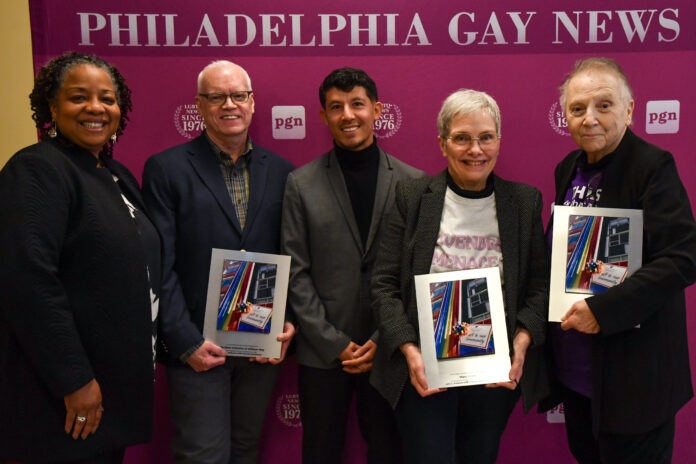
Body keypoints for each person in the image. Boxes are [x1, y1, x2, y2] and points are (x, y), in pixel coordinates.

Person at [369, 89, 549, 464]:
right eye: (462, 138)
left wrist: (521, 342)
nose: (475, 150)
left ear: (499, 140)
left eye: (486, 137)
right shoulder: (413, 196)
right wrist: (409, 350)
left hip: (492, 371)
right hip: (424, 369)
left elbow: (538, 286)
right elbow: (384, 284)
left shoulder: (524, 202)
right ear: (443, 143)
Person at [0, 52, 160, 463]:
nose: (95, 108)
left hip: (110, 389)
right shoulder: (37, 169)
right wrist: (74, 379)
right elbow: (28, 280)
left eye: (107, 98)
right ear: (52, 107)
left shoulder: (113, 173)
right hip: (63, 398)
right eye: (78, 97)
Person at [141, 60, 295, 464]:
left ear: (252, 102)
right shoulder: (167, 169)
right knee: (203, 455)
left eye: (238, 95)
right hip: (197, 346)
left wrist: (286, 320)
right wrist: (184, 340)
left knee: (246, 450)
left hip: (260, 347)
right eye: (217, 96)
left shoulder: (282, 172)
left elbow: (293, 255)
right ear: (200, 105)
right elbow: (160, 264)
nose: (229, 104)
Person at [546, 57, 696, 463]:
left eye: (604, 105)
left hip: (635, 383)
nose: (589, 118)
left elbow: (683, 256)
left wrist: (604, 309)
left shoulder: (652, 165)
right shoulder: (568, 169)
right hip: (578, 378)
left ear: (629, 110)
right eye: (577, 109)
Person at [281, 67, 424, 463]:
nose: (348, 115)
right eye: (336, 106)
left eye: (357, 104)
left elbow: (417, 273)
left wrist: (384, 336)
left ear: (377, 110)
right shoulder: (300, 183)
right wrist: (334, 343)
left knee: (390, 451)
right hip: (324, 352)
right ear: (323, 115)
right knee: (321, 452)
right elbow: (295, 271)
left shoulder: (413, 183)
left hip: (392, 348)